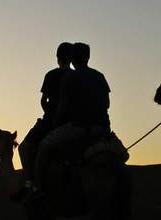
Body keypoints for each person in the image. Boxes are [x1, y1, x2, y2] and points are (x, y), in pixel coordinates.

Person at [31, 42, 110, 195]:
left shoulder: (69, 78)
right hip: (102, 128)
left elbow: (63, 107)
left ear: (73, 59)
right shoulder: (100, 76)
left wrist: (55, 121)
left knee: (44, 146)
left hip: (79, 127)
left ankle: (37, 188)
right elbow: (107, 104)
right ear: (88, 57)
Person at [17, 42, 73, 192]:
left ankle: (30, 183)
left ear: (57, 57)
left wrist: (49, 113)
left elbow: (43, 101)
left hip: (50, 121)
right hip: (73, 123)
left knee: (24, 148)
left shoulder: (51, 75)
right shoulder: (76, 76)